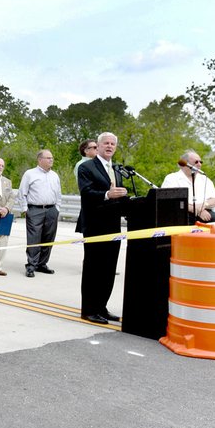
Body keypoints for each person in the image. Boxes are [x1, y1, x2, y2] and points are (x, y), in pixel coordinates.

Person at [76, 132, 128, 325]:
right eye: (105, 143)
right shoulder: (86, 167)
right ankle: (89, 310)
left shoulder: (115, 168)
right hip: (95, 225)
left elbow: (119, 196)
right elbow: (86, 193)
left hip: (113, 225)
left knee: (108, 268)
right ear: (97, 146)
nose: (109, 146)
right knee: (93, 268)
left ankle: (101, 307)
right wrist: (107, 194)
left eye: (113, 143)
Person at [16, 150, 62, 278]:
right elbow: (22, 193)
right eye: (48, 158)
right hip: (35, 210)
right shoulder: (30, 174)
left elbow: (58, 194)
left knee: (49, 238)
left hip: (52, 210)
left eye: (52, 158)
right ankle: (31, 265)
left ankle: (42, 264)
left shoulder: (54, 175)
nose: (51, 160)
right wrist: (25, 209)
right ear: (40, 160)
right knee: (34, 239)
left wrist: (57, 208)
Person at [161, 150, 215, 224]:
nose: (199, 164)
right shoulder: (171, 178)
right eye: (196, 162)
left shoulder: (205, 179)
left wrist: (203, 206)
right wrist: (196, 210)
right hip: (181, 215)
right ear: (184, 164)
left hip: (205, 214)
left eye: (200, 162)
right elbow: (170, 201)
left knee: (214, 217)